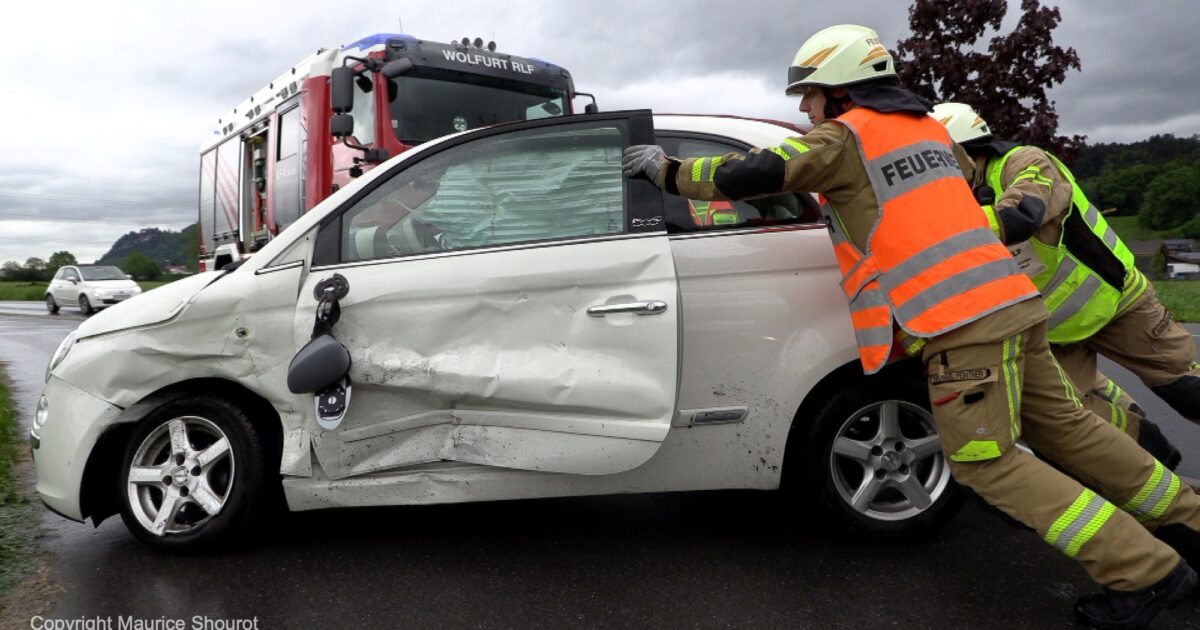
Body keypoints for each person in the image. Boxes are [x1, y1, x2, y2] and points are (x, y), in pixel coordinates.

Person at [623, 24, 1200, 628]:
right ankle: (1187, 523)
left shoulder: (843, 137)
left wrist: (666, 171)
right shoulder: (931, 133)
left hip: (959, 322)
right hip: (1014, 303)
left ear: (841, 91)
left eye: (810, 92)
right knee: (1070, 432)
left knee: (984, 462)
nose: (803, 106)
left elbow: (755, 172)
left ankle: (1144, 571)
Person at [932, 101, 1195, 468]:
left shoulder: (1025, 162)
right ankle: (1153, 450)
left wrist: (943, 231)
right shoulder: (964, 195)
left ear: (960, 150)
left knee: (1186, 388)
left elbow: (1024, 212)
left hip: (1119, 302)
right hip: (1055, 331)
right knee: (1070, 422)